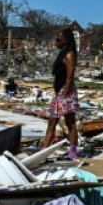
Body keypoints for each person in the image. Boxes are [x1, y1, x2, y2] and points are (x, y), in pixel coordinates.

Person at [41, 28, 80, 158]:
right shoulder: (63, 53)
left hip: (66, 91)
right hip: (60, 91)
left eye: (59, 39)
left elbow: (70, 76)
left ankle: (73, 151)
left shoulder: (69, 55)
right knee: (52, 121)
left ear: (66, 40)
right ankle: (45, 149)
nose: (56, 42)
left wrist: (64, 95)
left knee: (69, 122)